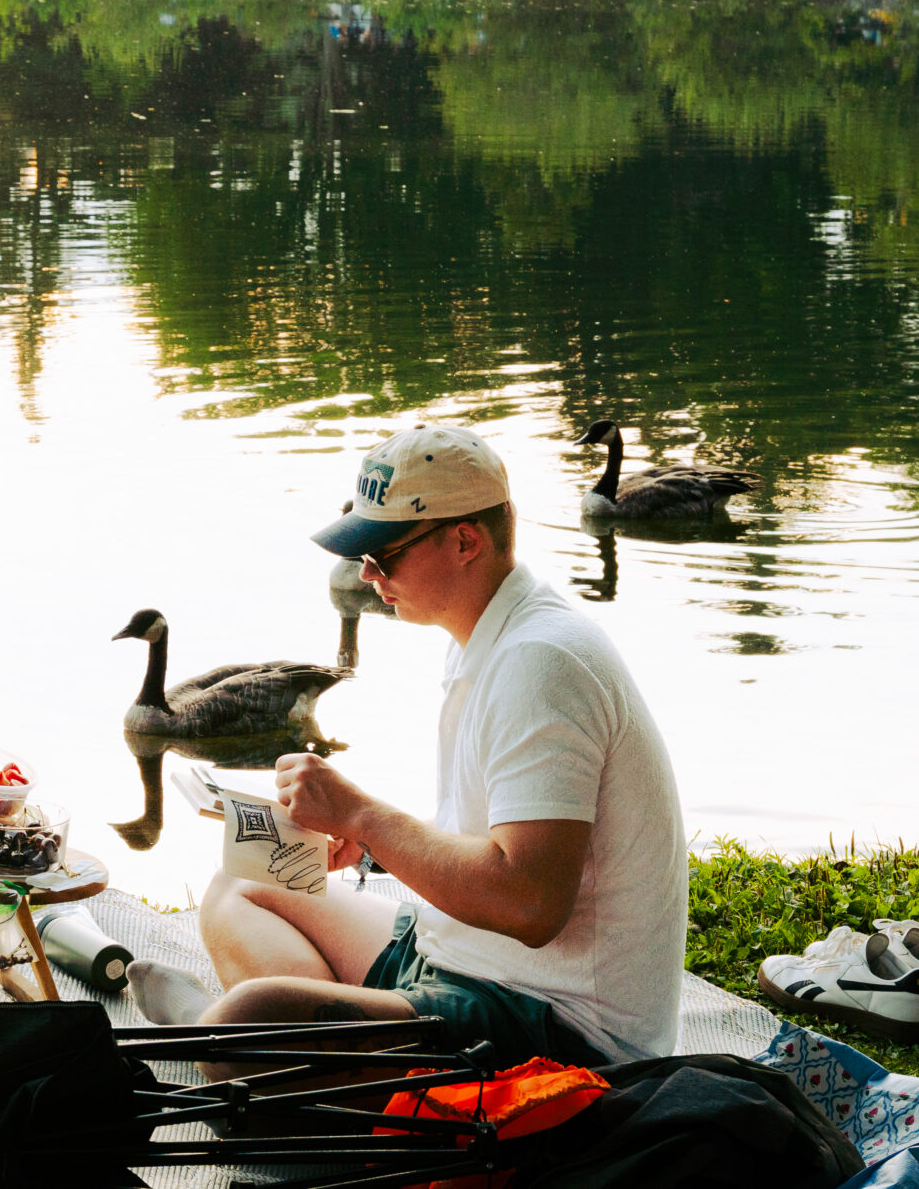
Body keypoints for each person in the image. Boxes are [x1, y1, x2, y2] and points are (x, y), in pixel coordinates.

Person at [128, 423, 688, 1070]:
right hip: (468, 960)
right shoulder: (490, 636)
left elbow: (531, 902)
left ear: (465, 541)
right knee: (240, 886)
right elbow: (493, 839)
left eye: (383, 553)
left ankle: (255, 1034)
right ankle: (308, 1040)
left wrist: (365, 816)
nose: (366, 574)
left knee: (240, 1024)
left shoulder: (542, 664)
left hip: (554, 1028)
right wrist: (369, 842)